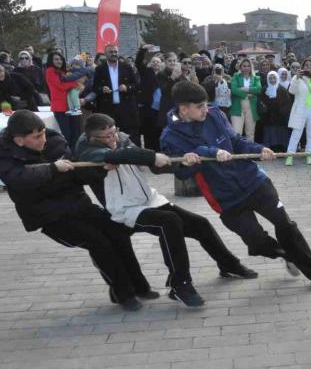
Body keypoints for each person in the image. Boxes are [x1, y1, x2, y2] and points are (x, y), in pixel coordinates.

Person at [160, 81, 311, 291]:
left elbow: (236, 141)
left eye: (206, 104)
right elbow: (180, 172)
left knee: (285, 224)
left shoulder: (215, 114)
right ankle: (287, 255)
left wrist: (259, 150)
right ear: (184, 108)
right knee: (256, 241)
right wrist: (187, 162)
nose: (206, 109)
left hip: (253, 181)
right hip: (226, 198)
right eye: (200, 106)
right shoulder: (170, 136)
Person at [75, 114, 254, 307]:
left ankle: (228, 264)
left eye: (114, 132)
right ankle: (180, 284)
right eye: (107, 136)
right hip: (124, 209)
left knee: (199, 223)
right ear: (93, 138)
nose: (113, 138)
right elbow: (117, 156)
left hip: (149, 199)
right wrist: (151, 156)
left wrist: (181, 163)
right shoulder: (86, 150)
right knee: (169, 221)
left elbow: (146, 161)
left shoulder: (122, 139)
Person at [0, 110, 155, 310]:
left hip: (79, 204)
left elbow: (77, 174)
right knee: (98, 242)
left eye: (43, 133)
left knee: (118, 232)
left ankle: (139, 286)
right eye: (37, 137)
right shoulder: (5, 153)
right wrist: (52, 169)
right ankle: (123, 293)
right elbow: (19, 179)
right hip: (49, 216)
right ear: (19, 140)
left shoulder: (54, 140)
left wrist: (99, 169)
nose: (43, 139)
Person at [92, 44, 140, 145]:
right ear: (105, 54)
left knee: (130, 135)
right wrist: (102, 89)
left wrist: (127, 87)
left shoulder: (127, 67)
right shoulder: (100, 69)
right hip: (108, 108)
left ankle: (133, 152)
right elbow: (95, 87)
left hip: (126, 108)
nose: (114, 54)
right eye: (111, 52)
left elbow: (136, 85)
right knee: (109, 135)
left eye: (116, 52)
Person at [286, 59, 311, 166]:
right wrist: (297, 78)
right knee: (296, 133)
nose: (308, 67)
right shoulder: (297, 77)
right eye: (306, 65)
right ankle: (290, 155)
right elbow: (291, 91)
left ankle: (309, 155)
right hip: (300, 109)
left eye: (310, 65)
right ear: (302, 67)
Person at [44, 51, 86, 151]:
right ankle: (71, 154)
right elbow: (60, 86)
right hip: (60, 107)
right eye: (56, 59)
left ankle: (76, 152)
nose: (59, 61)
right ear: (51, 61)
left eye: (60, 59)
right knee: (68, 134)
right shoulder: (50, 71)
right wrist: (75, 84)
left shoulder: (63, 71)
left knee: (76, 131)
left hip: (71, 105)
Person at [260, 69, 292, 152]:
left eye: (274, 78)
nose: (272, 80)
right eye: (270, 78)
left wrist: (281, 111)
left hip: (280, 119)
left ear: (277, 78)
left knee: (281, 136)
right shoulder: (264, 90)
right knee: (270, 135)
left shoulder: (282, 90)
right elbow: (261, 102)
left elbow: (287, 104)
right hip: (268, 118)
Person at [229, 58, 261, 139]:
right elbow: (234, 90)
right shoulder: (236, 76)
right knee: (237, 133)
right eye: (244, 66)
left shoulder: (256, 78)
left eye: (248, 66)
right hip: (237, 108)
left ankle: (250, 148)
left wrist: (245, 89)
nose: (246, 68)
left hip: (251, 108)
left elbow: (258, 89)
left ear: (251, 67)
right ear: (240, 67)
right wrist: (246, 95)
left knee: (250, 133)